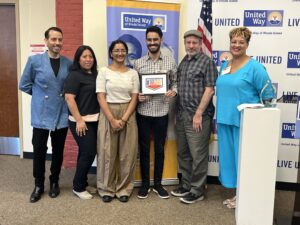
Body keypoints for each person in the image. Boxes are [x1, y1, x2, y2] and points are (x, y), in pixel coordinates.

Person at [216, 27, 274, 209]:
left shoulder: (255, 67)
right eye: (234, 41)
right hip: (225, 119)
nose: (237, 45)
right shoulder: (225, 66)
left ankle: (246, 197)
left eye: (241, 42)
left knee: (244, 161)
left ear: (247, 44)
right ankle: (239, 195)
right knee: (231, 161)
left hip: (245, 123)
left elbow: (268, 96)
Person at [19, 27, 72, 203]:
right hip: (41, 114)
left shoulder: (68, 63)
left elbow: (70, 87)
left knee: (58, 151)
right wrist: (40, 97)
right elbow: (24, 84)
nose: (57, 43)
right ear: (46, 41)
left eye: (60, 39)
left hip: (61, 113)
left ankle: (54, 181)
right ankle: (39, 184)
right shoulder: (34, 61)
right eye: (53, 39)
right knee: (40, 151)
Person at [171, 30, 218, 204]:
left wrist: (198, 114)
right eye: (188, 42)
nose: (191, 46)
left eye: (194, 43)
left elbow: (210, 89)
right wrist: (177, 112)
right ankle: (186, 184)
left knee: (198, 155)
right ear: (185, 43)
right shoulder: (184, 62)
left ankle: (197, 190)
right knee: (183, 153)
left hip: (198, 117)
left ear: (200, 44)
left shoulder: (207, 62)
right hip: (182, 115)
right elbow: (181, 89)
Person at [133, 25, 177, 199]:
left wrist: (174, 91)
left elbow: (175, 82)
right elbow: (134, 87)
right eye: (149, 40)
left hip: (161, 112)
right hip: (143, 112)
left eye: (155, 39)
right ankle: (144, 185)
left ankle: (158, 184)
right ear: (146, 41)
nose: (152, 42)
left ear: (161, 40)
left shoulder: (170, 62)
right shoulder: (138, 63)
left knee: (159, 149)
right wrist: (138, 96)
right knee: (143, 149)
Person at [96, 40, 139, 203]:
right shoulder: (103, 71)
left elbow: (134, 97)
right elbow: (100, 95)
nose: (120, 53)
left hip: (128, 112)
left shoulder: (132, 73)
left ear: (126, 53)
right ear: (111, 53)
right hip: (108, 112)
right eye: (116, 50)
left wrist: (124, 118)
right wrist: (112, 119)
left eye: (123, 50)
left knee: (127, 153)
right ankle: (106, 188)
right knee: (107, 152)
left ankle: (123, 188)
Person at [64, 45, 99, 200]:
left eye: (90, 56)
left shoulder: (96, 74)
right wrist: (79, 120)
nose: (88, 59)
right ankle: (78, 187)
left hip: (95, 120)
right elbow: (69, 98)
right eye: (84, 56)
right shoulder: (74, 75)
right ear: (78, 59)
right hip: (80, 121)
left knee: (84, 152)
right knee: (89, 152)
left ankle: (83, 183)